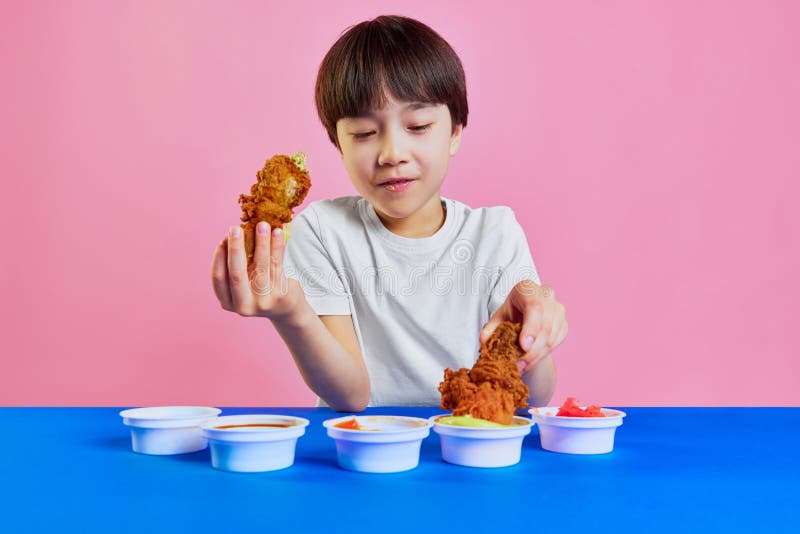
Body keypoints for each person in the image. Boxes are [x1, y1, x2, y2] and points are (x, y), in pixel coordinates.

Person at [211, 15, 567, 412]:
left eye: (418, 125)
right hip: (361, 448)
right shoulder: (323, 231)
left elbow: (537, 395)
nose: (392, 153)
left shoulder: (495, 233)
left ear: (455, 133)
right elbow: (352, 394)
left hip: (467, 445)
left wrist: (530, 334)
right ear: (339, 146)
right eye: (364, 134)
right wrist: (293, 314)